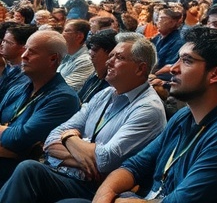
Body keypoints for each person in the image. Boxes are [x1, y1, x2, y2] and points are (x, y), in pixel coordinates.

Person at [85, 27, 217, 203]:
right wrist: (105, 193)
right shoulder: (184, 115)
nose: (174, 68)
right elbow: (135, 165)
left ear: (215, 74)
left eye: (187, 61)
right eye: (178, 59)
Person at [0, 33, 166, 202]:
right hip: (67, 174)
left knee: (29, 170)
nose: (109, 62)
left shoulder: (148, 108)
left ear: (140, 69)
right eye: (111, 56)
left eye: (119, 58)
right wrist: (82, 154)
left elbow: (104, 160)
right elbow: (51, 140)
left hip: (98, 188)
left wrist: (69, 137)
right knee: (29, 170)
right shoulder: (105, 94)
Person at [0, 30, 81, 184]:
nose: (24, 56)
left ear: (53, 59)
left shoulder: (64, 98)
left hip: (21, 176)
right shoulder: (20, 87)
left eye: (32, 52)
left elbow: (20, 140)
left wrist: (10, 136)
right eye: (25, 49)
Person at [77, 29, 117, 103]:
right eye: (90, 49)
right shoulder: (94, 75)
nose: (90, 53)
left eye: (95, 49)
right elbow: (78, 99)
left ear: (110, 53)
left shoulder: (113, 84)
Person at [59, 19, 93, 91]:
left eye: (66, 31)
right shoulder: (64, 54)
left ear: (79, 36)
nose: (61, 35)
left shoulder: (85, 62)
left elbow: (66, 90)